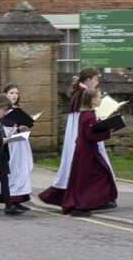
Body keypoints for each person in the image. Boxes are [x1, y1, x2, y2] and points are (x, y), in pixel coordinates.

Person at [39, 67, 99, 206]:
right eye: (96, 79)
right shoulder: (82, 94)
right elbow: (83, 119)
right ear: (88, 80)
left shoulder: (82, 93)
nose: (98, 82)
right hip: (82, 137)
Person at [59, 86, 119, 216]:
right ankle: (79, 207)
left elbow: (93, 128)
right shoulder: (89, 116)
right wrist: (108, 133)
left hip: (86, 151)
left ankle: (98, 201)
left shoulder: (87, 114)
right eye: (99, 97)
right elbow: (90, 135)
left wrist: (103, 124)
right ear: (92, 100)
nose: (100, 100)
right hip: (86, 153)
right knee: (84, 180)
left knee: (98, 176)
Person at [0, 84, 34, 208]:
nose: (15, 95)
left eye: (17, 93)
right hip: (6, 145)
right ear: (5, 94)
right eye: (12, 93)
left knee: (19, 172)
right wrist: (18, 128)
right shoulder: (2, 111)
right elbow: (0, 129)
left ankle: (16, 200)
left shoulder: (16, 110)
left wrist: (27, 123)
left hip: (19, 145)